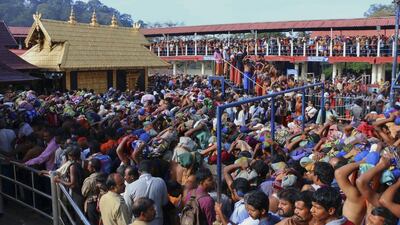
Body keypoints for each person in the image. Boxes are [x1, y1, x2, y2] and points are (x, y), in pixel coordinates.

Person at [124, 160, 168, 225]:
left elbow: (128, 208)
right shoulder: (160, 182)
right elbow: (164, 202)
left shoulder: (130, 186)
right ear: (152, 170)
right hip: (157, 221)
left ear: (139, 171)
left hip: (139, 222)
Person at [81, 158, 102, 225]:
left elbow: (84, 193)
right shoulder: (106, 176)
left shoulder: (90, 180)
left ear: (93, 168)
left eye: (89, 166)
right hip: (102, 202)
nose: (87, 167)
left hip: (92, 203)